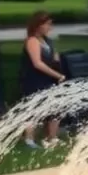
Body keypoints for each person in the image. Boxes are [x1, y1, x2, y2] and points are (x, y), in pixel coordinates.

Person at [20, 11, 65, 149]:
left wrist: (57, 65)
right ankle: (29, 140)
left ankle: (52, 138)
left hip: (49, 80)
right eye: (47, 24)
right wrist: (57, 75)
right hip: (35, 81)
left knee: (56, 108)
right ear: (38, 25)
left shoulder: (48, 42)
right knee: (34, 110)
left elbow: (55, 59)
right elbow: (37, 63)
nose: (49, 27)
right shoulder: (32, 41)